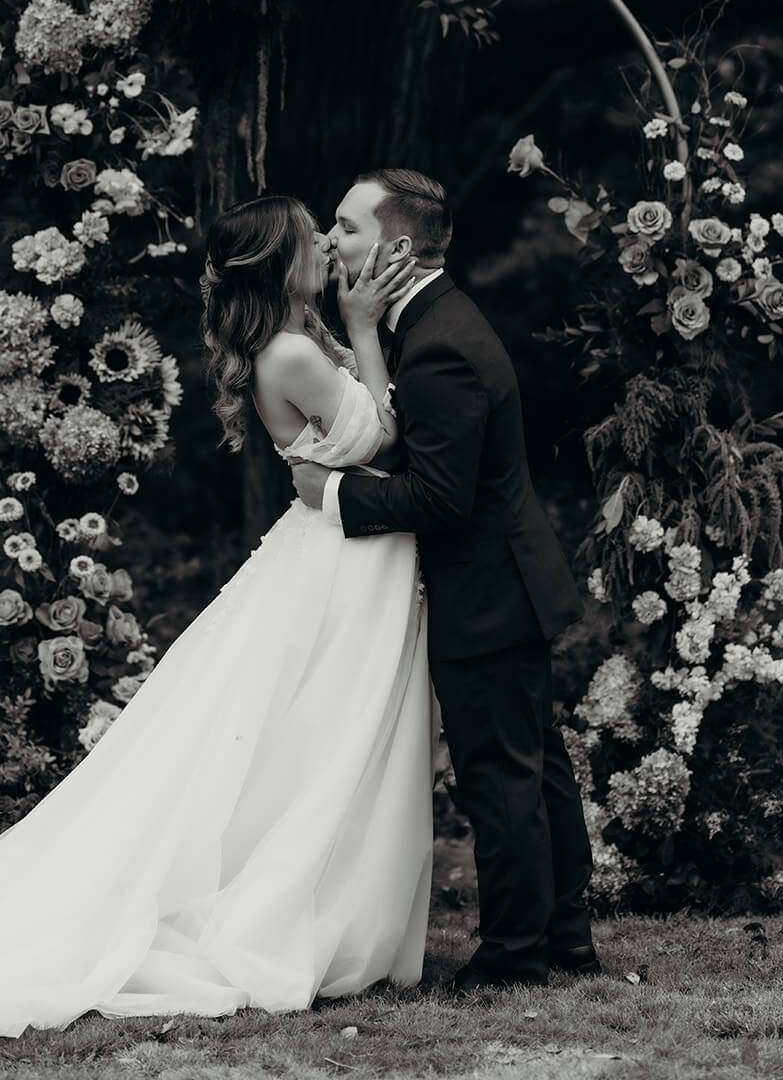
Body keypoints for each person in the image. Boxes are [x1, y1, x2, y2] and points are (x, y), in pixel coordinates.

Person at [0, 195, 434, 1038]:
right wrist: (365, 329)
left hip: (340, 549)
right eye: (310, 240)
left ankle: (327, 894)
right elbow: (391, 439)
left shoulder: (297, 340)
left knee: (317, 737)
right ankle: (294, 905)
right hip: (340, 559)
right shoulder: (294, 352)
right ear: (278, 261)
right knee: (326, 735)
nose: (326, 249)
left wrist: (352, 331)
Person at [292, 169, 599, 990]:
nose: (329, 240)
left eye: (345, 227)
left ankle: (512, 958)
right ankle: (564, 940)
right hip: (508, 579)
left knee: (501, 778)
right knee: (533, 765)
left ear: (392, 247)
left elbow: (437, 496)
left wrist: (333, 492)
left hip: (488, 593)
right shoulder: (426, 323)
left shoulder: (439, 347)